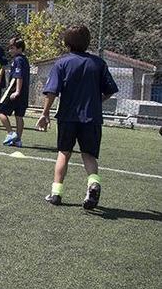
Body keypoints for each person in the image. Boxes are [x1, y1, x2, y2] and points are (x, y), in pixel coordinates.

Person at [37, 25, 118, 209]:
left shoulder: (62, 63)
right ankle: (93, 184)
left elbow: (51, 92)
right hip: (92, 118)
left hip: (68, 117)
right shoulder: (98, 63)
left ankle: (56, 193)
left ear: (67, 43)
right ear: (88, 42)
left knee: (63, 153)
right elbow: (110, 90)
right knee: (89, 155)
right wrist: (96, 101)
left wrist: (45, 113)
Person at [0, 37, 30, 147]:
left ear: (20, 48)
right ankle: (18, 140)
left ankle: (11, 133)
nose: (10, 51)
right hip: (24, 92)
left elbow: (19, 76)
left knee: (0, 111)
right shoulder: (25, 59)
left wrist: (17, 91)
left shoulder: (18, 60)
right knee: (19, 116)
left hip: (13, 89)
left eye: (12, 48)